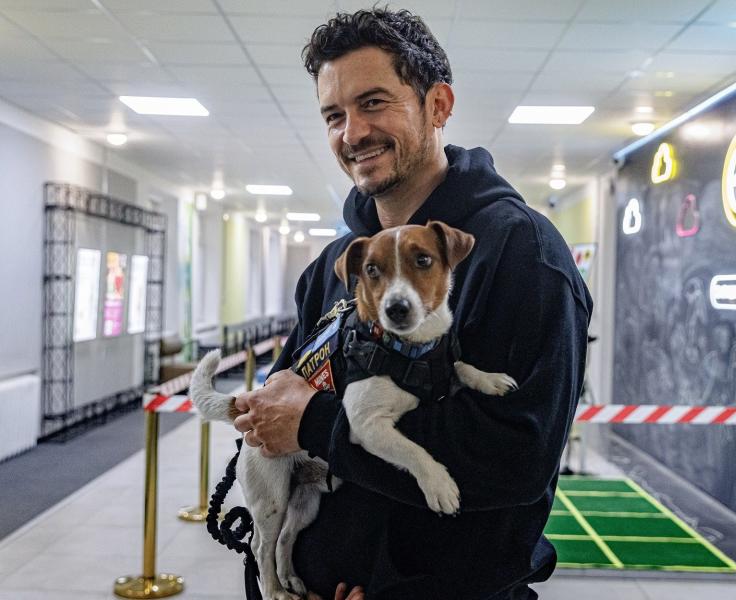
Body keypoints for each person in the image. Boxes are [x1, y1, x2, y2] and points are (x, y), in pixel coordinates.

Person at [232, 8, 592, 600]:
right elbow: (281, 408)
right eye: (334, 115)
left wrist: (319, 425)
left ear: (438, 105)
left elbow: (515, 455)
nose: (352, 133)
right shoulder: (334, 266)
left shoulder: (520, 253)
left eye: (374, 102)